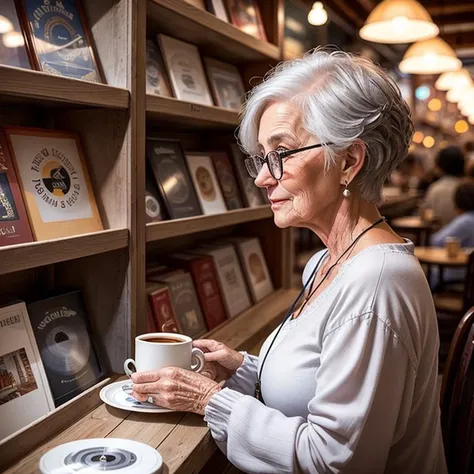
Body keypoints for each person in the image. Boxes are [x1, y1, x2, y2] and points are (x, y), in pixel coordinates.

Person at [130, 49, 446, 474]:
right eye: (261, 157)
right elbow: (320, 383)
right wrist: (241, 368)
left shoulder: (376, 283)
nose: (262, 177)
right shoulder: (326, 261)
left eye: (281, 153)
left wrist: (208, 399)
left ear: (349, 162)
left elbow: (333, 462)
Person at [430, 180, 474, 288]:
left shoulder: (466, 220)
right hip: (469, 273)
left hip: (462, 273)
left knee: (425, 272)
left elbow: (437, 241)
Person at [422, 146, 465, 226]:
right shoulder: (466, 188)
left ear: (439, 166)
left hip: (437, 235)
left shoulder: (435, 189)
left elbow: (425, 215)